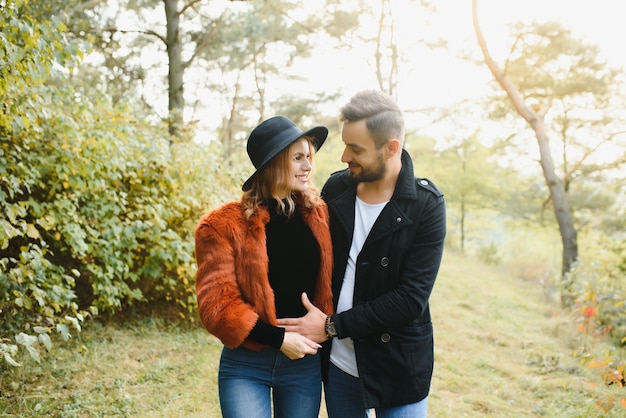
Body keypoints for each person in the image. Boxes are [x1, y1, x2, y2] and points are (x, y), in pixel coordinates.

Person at [277, 90, 446, 418]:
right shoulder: (336, 189)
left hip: (398, 365)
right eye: (345, 145)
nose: (344, 157)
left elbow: (410, 298)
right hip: (340, 365)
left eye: (355, 149)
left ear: (391, 148)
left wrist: (330, 326)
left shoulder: (427, 205)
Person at [194, 115, 334, 418]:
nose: (308, 166)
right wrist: (280, 339)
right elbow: (216, 306)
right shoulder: (221, 226)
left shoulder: (319, 215)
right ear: (272, 164)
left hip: (304, 363)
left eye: (308, 157)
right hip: (246, 364)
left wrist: (329, 325)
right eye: (297, 158)